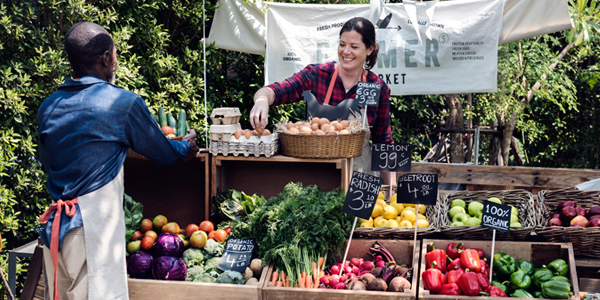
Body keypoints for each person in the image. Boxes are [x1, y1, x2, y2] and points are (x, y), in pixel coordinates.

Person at [37, 22, 199, 300]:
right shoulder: (122, 104)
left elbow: (48, 164)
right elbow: (164, 152)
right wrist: (187, 147)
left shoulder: (48, 106)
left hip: (57, 233)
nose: (116, 61)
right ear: (106, 58)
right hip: (92, 235)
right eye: (115, 55)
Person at [250, 17, 395, 185]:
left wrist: (392, 191)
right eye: (342, 44)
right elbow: (276, 90)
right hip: (315, 183)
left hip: (359, 183)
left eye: (354, 47)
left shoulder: (377, 87)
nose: (346, 51)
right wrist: (261, 100)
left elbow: (383, 143)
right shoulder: (316, 75)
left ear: (369, 49)